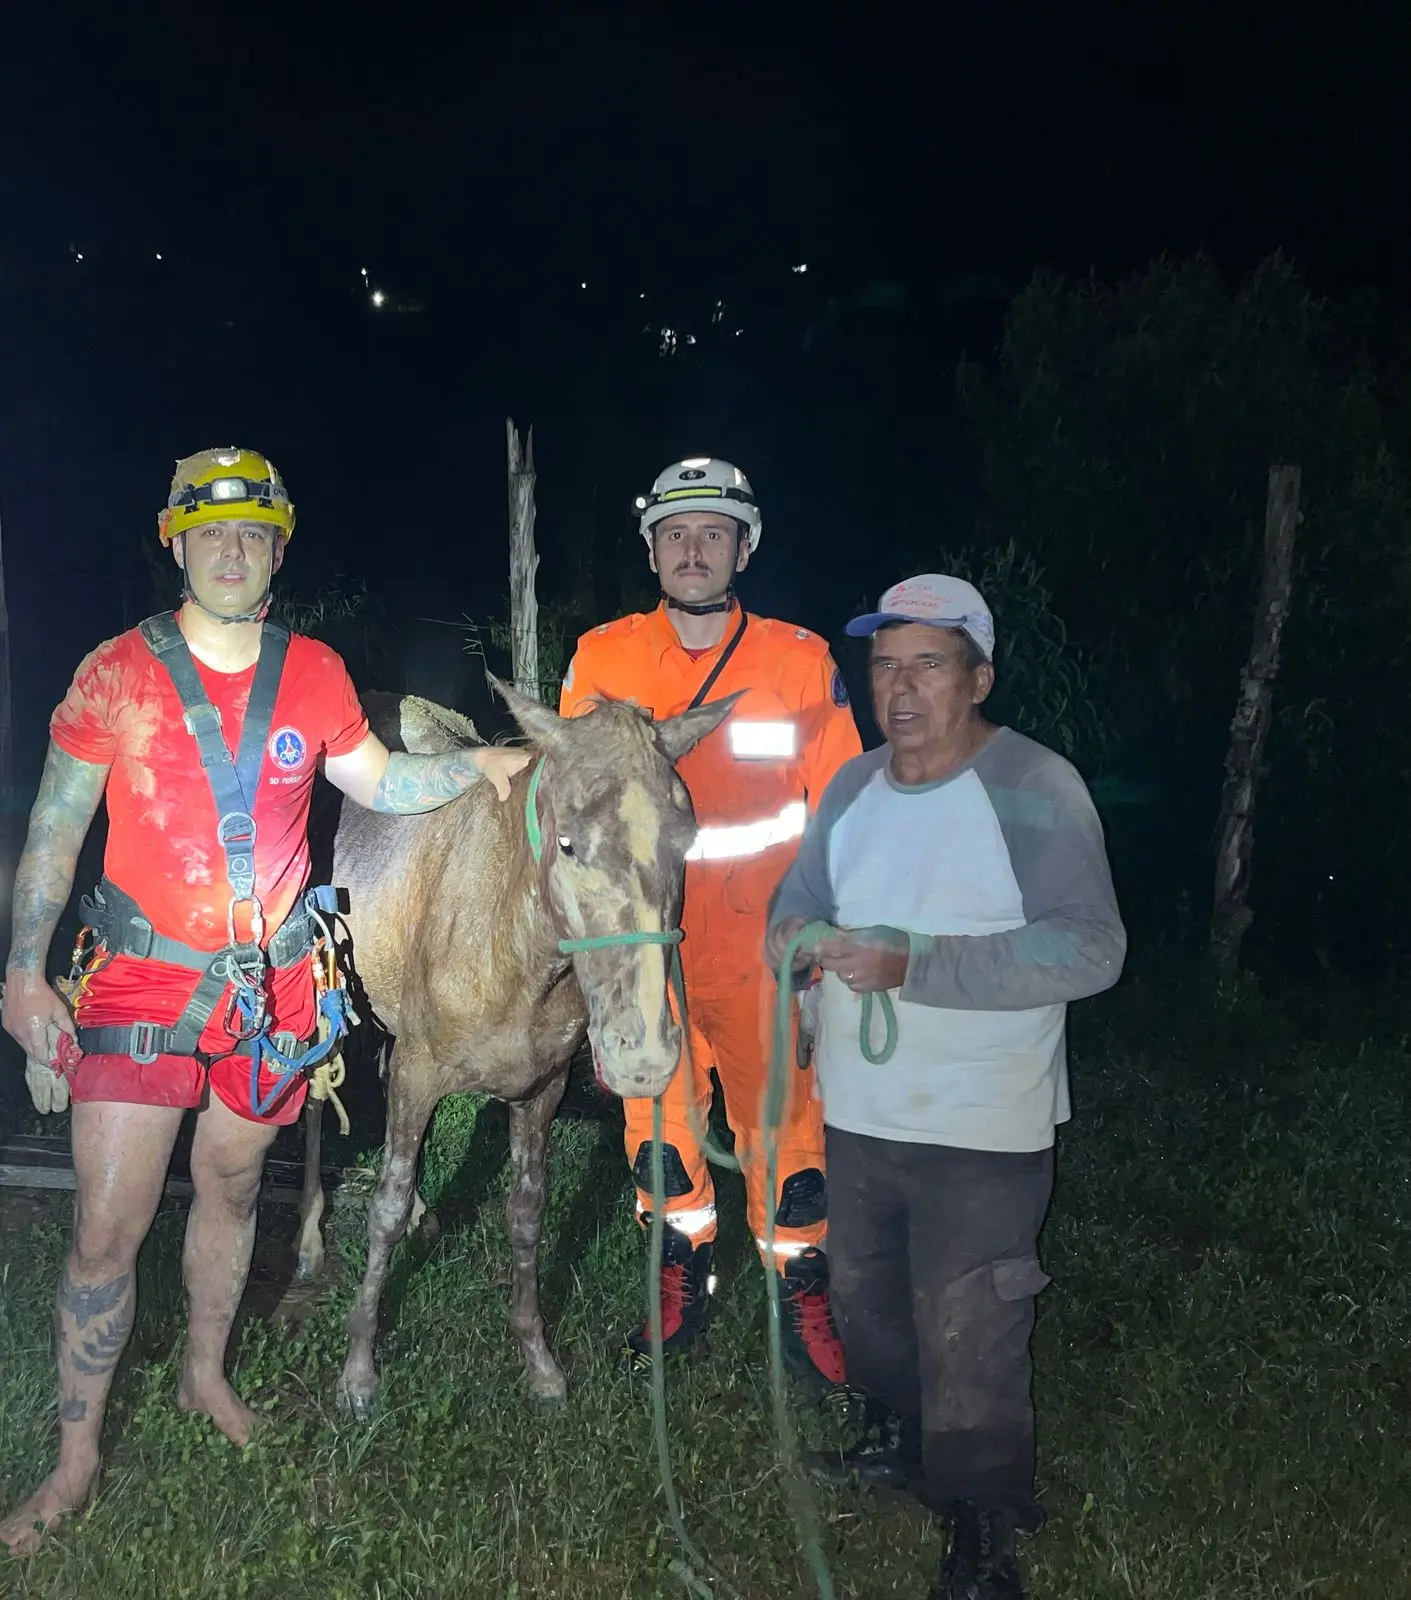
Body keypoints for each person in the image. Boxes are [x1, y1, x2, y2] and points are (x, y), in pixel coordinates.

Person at [0, 447, 530, 1553]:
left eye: (253, 533)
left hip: (275, 987)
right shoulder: (116, 673)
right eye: (211, 530)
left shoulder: (317, 673)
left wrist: (479, 766)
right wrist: (21, 967)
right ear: (175, 540)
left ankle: (203, 1376)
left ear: (278, 549)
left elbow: (376, 779)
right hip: (141, 974)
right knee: (105, 1226)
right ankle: (76, 1455)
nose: (231, 550)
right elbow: (55, 826)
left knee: (234, 1188)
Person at [766, 574, 1126, 1600]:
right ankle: (893, 1431)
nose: (901, 687)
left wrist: (914, 961)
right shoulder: (851, 788)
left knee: (970, 1320)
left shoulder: (1033, 784)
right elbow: (795, 906)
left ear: (979, 676)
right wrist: (796, 944)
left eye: (928, 663)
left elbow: (1090, 947)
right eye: (884, 665)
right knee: (867, 1297)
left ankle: (979, 1524)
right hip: (860, 1109)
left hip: (984, 1118)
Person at [559, 457, 861, 1389]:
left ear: (745, 545)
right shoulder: (600, 659)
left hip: (768, 949)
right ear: (651, 547)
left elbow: (844, 807)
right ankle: (682, 1269)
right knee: (658, 1126)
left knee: (788, 1138)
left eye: (713, 534)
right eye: (676, 534)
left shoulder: (800, 661)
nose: (693, 551)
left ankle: (798, 1285)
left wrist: (829, 930)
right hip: (646, 952)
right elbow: (570, 809)